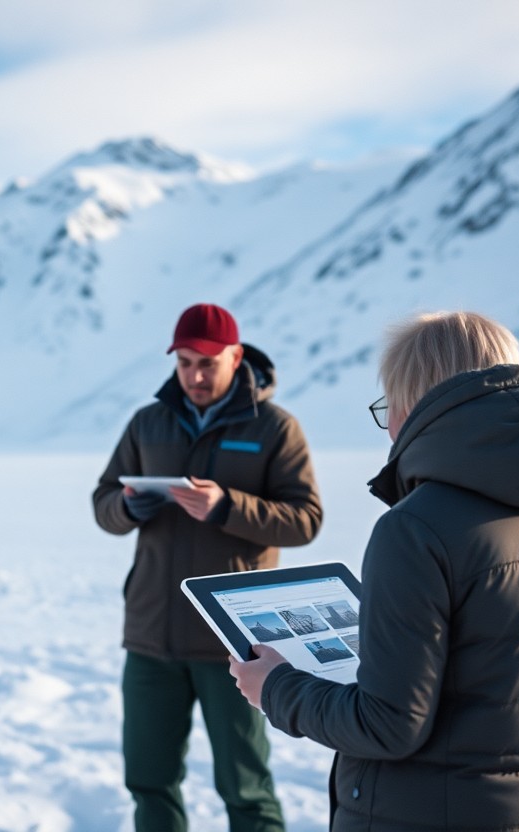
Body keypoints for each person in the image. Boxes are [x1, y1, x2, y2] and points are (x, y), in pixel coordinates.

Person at [229, 311, 519, 832]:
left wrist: (275, 686)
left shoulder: (415, 530)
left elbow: (388, 726)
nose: (389, 426)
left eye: (389, 404)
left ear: (416, 405)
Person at [93, 303, 323, 832]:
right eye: (186, 363)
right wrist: (128, 507)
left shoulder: (275, 428)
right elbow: (104, 501)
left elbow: (305, 520)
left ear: (236, 357)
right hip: (151, 637)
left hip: (236, 644)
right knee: (149, 782)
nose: (195, 375)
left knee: (246, 788)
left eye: (208, 363)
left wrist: (227, 506)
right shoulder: (147, 423)